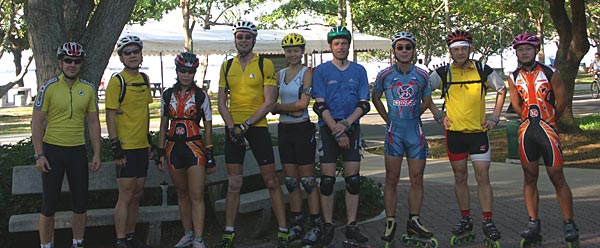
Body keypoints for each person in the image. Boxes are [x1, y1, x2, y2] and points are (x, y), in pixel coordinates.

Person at [428, 29, 506, 245]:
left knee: (482, 176)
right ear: (450, 52)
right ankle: (465, 218)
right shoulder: (443, 73)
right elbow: (424, 91)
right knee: (460, 177)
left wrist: (495, 117)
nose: (460, 53)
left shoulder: (482, 69)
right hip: (455, 135)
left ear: (470, 49)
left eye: (464, 48)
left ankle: (488, 220)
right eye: (456, 49)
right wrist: (438, 115)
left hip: (479, 134)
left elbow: (502, 89)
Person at [216, 20, 289, 248]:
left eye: (247, 37)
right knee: (234, 184)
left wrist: (245, 125)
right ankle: (229, 232)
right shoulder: (226, 66)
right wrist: (231, 128)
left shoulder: (264, 64)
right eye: (240, 37)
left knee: (270, 180)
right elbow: (221, 102)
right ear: (235, 39)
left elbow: (269, 102)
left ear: (254, 40)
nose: (243, 40)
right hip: (234, 129)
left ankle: (283, 230)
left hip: (256, 127)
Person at [508, 33, 579, 246]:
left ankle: (569, 222)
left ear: (535, 50)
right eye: (520, 50)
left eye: (528, 49)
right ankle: (533, 222)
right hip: (527, 131)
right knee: (529, 176)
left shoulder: (551, 72)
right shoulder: (513, 76)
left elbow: (562, 100)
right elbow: (517, 105)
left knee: (556, 175)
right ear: (517, 53)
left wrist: (550, 120)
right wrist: (528, 121)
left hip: (548, 128)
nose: (524, 52)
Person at [32, 42, 101, 248]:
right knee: (49, 205)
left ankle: (78, 243)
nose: (72, 64)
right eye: (68, 60)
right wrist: (39, 155)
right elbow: (36, 122)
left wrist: (97, 153)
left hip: (77, 152)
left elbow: (93, 122)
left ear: (81, 64)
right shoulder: (49, 88)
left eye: (76, 61)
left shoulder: (88, 89)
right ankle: (46, 245)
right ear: (60, 63)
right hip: (52, 151)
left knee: (80, 203)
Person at [372, 31, 438, 247]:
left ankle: (414, 220)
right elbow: (376, 97)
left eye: (407, 47)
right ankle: (390, 221)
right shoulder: (384, 75)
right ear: (394, 51)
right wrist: (387, 117)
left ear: (413, 50)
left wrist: (413, 115)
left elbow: (427, 99)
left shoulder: (422, 75)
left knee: (417, 178)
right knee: (392, 178)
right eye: (399, 47)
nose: (403, 51)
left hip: (415, 133)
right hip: (394, 133)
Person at [312, 26, 370, 246]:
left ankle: (351, 226)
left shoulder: (359, 70)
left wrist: (346, 124)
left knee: (353, 181)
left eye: (344, 43)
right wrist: (337, 130)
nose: (340, 47)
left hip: (351, 127)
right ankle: (328, 225)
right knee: (327, 181)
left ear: (348, 45)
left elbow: (364, 104)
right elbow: (319, 105)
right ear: (330, 47)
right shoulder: (321, 71)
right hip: (328, 129)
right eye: (336, 44)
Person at [156, 52, 216, 248]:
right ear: (177, 71)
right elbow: (163, 124)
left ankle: (199, 238)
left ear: (194, 73)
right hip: (173, 148)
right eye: (183, 70)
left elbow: (208, 125)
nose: (186, 75)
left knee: (197, 193)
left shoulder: (201, 95)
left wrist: (209, 152)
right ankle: (188, 234)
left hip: (195, 147)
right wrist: (159, 151)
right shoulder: (167, 94)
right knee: (182, 193)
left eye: (190, 71)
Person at [271, 33, 322, 246]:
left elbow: (302, 105)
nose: (293, 54)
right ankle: (297, 223)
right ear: (284, 52)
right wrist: (285, 109)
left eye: (296, 50)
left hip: (302, 129)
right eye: (289, 50)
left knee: (308, 181)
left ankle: (316, 224)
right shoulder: (279, 74)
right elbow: (270, 101)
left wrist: (281, 108)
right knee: (291, 182)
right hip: (285, 130)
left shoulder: (306, 73)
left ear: (303, 51)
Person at [105, 35, 153, 248]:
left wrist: (149, 139)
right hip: (125, 147)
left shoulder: (144, 79)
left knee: (137, 193)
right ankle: (120, 239)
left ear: (141, 55)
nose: (132, 55)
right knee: (125, 195)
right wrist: (115, 146)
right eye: (128, 52)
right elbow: (110, 115)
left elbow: (145, 110)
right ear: (122, 57)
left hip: (142, 146)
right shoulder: (118, 81)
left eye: (136, 52)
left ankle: (131, 234)